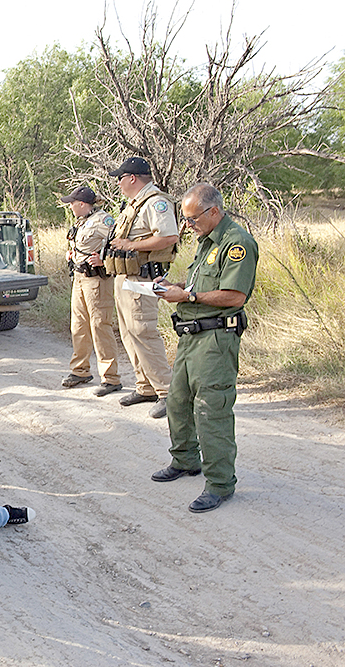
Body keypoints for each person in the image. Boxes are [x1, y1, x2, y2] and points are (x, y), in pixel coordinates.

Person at [152, 183, 258, 513]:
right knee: (178, 401)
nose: (188, 225)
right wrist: (175, 288)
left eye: (192, 218)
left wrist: (187, 296)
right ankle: (185, 460)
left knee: (211, 410)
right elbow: (199, 285)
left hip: (215, 340)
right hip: (190, 336)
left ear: (213, 211)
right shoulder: (206, 241)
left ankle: (220, 484)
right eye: (185, 219)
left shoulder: (237, 243)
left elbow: (234, 295)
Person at [105, 157, 179, 419]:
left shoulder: (156, 202)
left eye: (120, 178)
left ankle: (168, 392)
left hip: (142, 278)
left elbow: (169, 236)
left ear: (132, 178)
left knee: (143, 331)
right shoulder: (134, 204)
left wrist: (131, 245)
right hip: (125, 276)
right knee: (128, 333)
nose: (119, 183)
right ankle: (145, 387)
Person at [59, 186, 122, 396]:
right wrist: (72, 255)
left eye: (72, 203)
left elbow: (120, 243)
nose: (70, 206)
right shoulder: (82, 221)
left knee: (100, 326)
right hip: (79, 278)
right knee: (78, 326)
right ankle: (80, 370)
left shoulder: (104, 220)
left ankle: (111, 377)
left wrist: (104, 261)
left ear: (82, 204)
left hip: (97, 280)